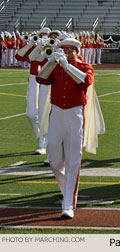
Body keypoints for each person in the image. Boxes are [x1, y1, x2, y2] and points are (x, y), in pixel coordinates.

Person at [36, 38, 94, 219]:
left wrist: (67, 66)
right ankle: (66, 189)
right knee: (54, 161)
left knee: (73, 160)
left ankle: (68, 202)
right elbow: (41, 78)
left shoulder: (85, 67)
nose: (66, 52)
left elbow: (85, 81)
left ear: (77, 51)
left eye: (70, 49)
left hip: (75, 114)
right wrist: (52, 62)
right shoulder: (55, 66)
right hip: (57, 114)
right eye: (63, 48)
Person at [15, 27, 51, 160]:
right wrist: (32, 44)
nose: (43, 37)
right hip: (33, 78)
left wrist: (47, 46)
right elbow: (19, 56)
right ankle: (39, 134)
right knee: (30, 112)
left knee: (43, 111)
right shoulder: (34, 46)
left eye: (46, 35)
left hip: (47, 80)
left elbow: (47, 61)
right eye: (41, 35)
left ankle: (43, 142)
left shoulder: (51, 47)